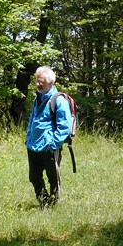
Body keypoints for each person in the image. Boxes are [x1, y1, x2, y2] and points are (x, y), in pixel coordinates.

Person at [26, 66, 72, 207]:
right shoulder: (38, 98)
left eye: (41, 82)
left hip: (49, 147)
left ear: (51, 83)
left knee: (53, 178)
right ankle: (43, 202)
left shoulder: (59, 100)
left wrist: (53, 144)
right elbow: (33, 119)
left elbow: (64, 126)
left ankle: (53, 204)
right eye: (37, 81)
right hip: (33, 145)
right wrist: (28, 137)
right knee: (34, 177)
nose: (38, 84)